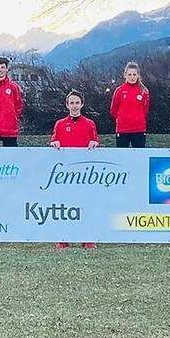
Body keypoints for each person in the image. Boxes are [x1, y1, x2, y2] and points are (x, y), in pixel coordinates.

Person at [49, 90, 100, 249]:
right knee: (64, 205)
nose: (74, 106)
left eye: (77, 102)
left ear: (82, 104)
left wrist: (95, 144)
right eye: (71, 103)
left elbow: (96, 142)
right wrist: (54, 144)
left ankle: (88, 238)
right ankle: (63, 238)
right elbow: (53, 141)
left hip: (85, 174)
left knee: (86, 204)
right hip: (65, 174)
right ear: (67, 105)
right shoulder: (60, 124)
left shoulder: (90, 124)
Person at [110, 61, 150, 147]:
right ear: (125, 75)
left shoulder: (144, 91)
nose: (132, 77)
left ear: (138, 75)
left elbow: (145, 109)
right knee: (122, 157)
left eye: (134, 75)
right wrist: (123, 119)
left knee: (139, 156)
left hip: (139, 129)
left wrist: (138, 118)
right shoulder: (119, 91)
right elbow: (113, 110)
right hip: (123, 130)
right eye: (130, 75)